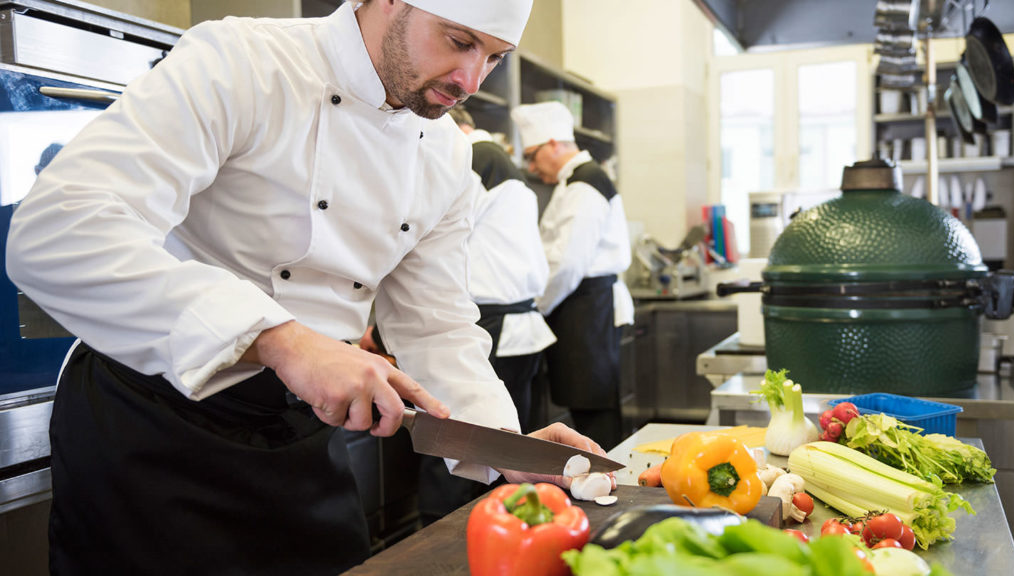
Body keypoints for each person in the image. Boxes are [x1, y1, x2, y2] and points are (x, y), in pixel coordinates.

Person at [5, 2, 610, 574]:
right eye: (459, 41)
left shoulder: (448, 154)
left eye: (496, 57)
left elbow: (435, 322)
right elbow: (56, 232)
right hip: (150, 424)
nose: (472, 79)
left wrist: (502, 441)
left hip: (300, 433)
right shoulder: (243, 61)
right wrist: (281, 339)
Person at [414, 104, 557, 524]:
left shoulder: (471, 157)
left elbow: (425, 251)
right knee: (504, 451)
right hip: (520, 328)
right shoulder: (501, 162)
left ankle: (449, 547)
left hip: (488, 326)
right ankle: (504, 532)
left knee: (456, 448)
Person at [511, 100, 634, 450]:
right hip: (583, 306)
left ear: (553, 144)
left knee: (593, 410)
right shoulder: (575, 181)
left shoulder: (585, 183)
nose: (532, 167)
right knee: (590, 405)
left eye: (533, 156)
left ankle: (607, 489)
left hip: (585, 306)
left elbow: (567, 264)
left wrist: (535, 306)